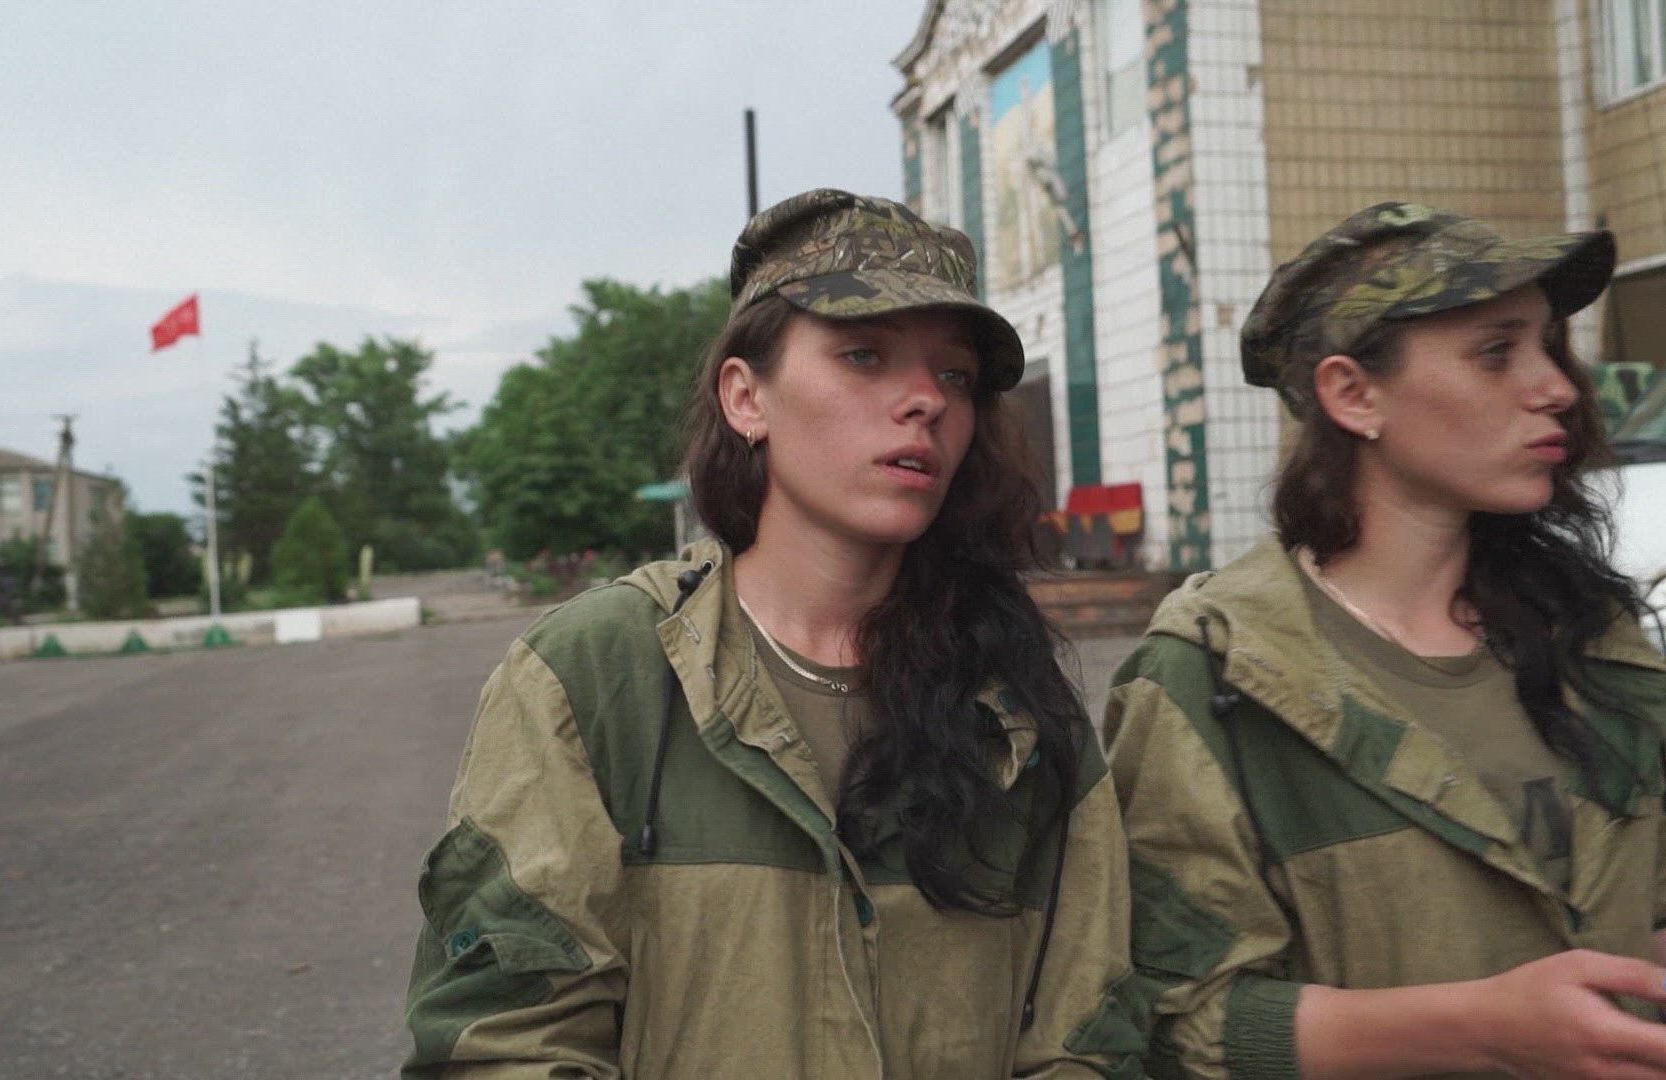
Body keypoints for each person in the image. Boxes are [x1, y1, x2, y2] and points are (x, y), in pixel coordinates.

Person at [403, 189, 1141, 1078]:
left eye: (954, 375)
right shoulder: (598, 676)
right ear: (746, 397)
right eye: (864, 355)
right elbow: (503, 1041)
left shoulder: (1016, 705)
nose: (925, 401)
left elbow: (1089, 1037)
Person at [1103, 202, 1666, 1079]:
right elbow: (1180, 1023)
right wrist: (1480, 1028)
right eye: (1496, 353)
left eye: (1549, 346)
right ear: (1354, 395)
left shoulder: (1591, 635)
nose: (1558, 388)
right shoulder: (1217, 678)